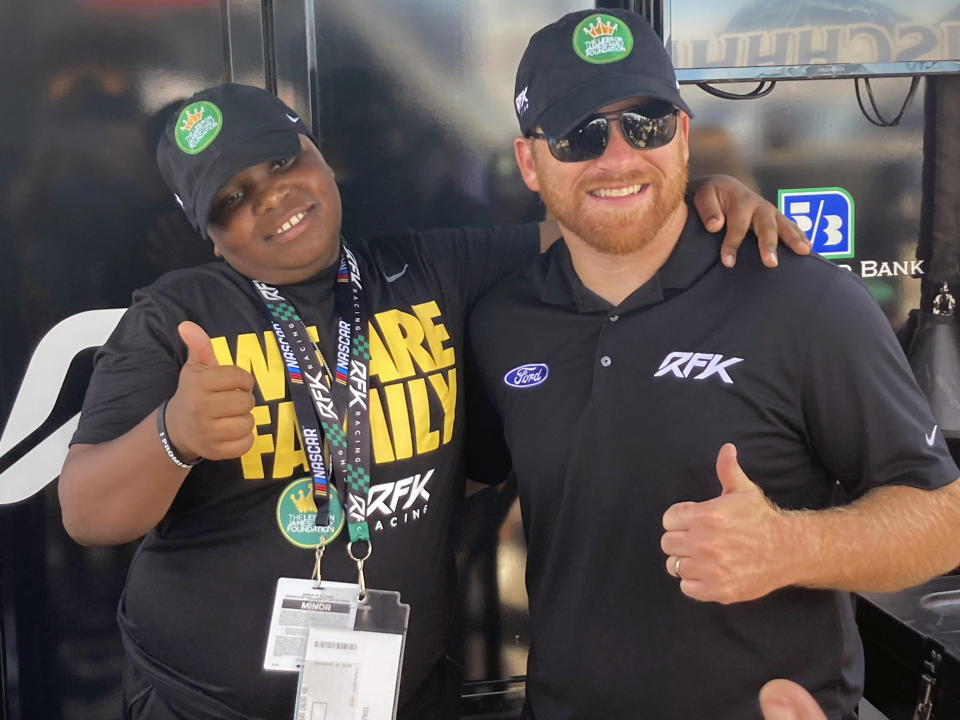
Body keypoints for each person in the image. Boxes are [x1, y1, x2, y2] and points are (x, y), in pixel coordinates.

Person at [57, 81, 802, 720]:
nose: (272, 196)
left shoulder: (430, 269)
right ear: (213, 238)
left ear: (320, 157)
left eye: (282, 162)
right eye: (232, 197)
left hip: (403, 693)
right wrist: (174, 434)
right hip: (202, 703)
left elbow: (603, 228)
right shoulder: (179, 316)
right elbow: (88, 514)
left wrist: (706, 195)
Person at [466, 8, 960, 720]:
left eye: (646, 125)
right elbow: (468, 482)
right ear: (529, 162)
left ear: (684, 137)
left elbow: (942, 520)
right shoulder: (502, 320)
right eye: (580, 134)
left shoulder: (802, 299)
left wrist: (791, 545)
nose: (618, 157)